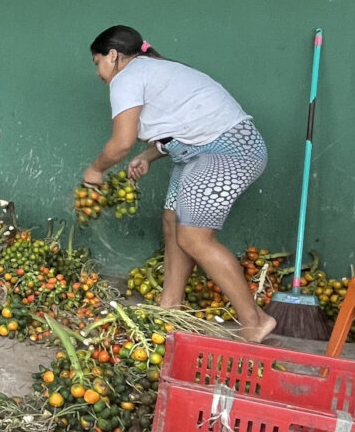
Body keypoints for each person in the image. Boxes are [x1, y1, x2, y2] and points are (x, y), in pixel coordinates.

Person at [82, 25, 276, 343]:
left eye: (97, 63)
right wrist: (147, 155)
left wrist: (94, 170)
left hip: (228, 151)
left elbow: (120, 143)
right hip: (201, 152)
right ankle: (169, 308)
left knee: (194, 238)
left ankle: (254, 319)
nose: (99, 73)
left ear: (113, 56)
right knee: (172, 221)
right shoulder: (152, 70)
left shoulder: (127, 78)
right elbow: (182, 123)